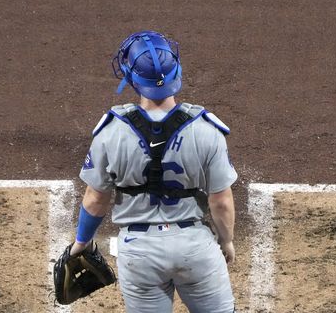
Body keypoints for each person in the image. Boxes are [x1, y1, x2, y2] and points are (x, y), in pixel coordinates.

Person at [69, 30, 237, 312]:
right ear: (177, 74)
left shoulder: (110, 132)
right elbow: (220, 201)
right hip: (195, 249)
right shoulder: (207, 130)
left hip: (139, 252)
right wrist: (227, 241)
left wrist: (81, 243)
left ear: (132, 79)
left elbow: (96, 200)